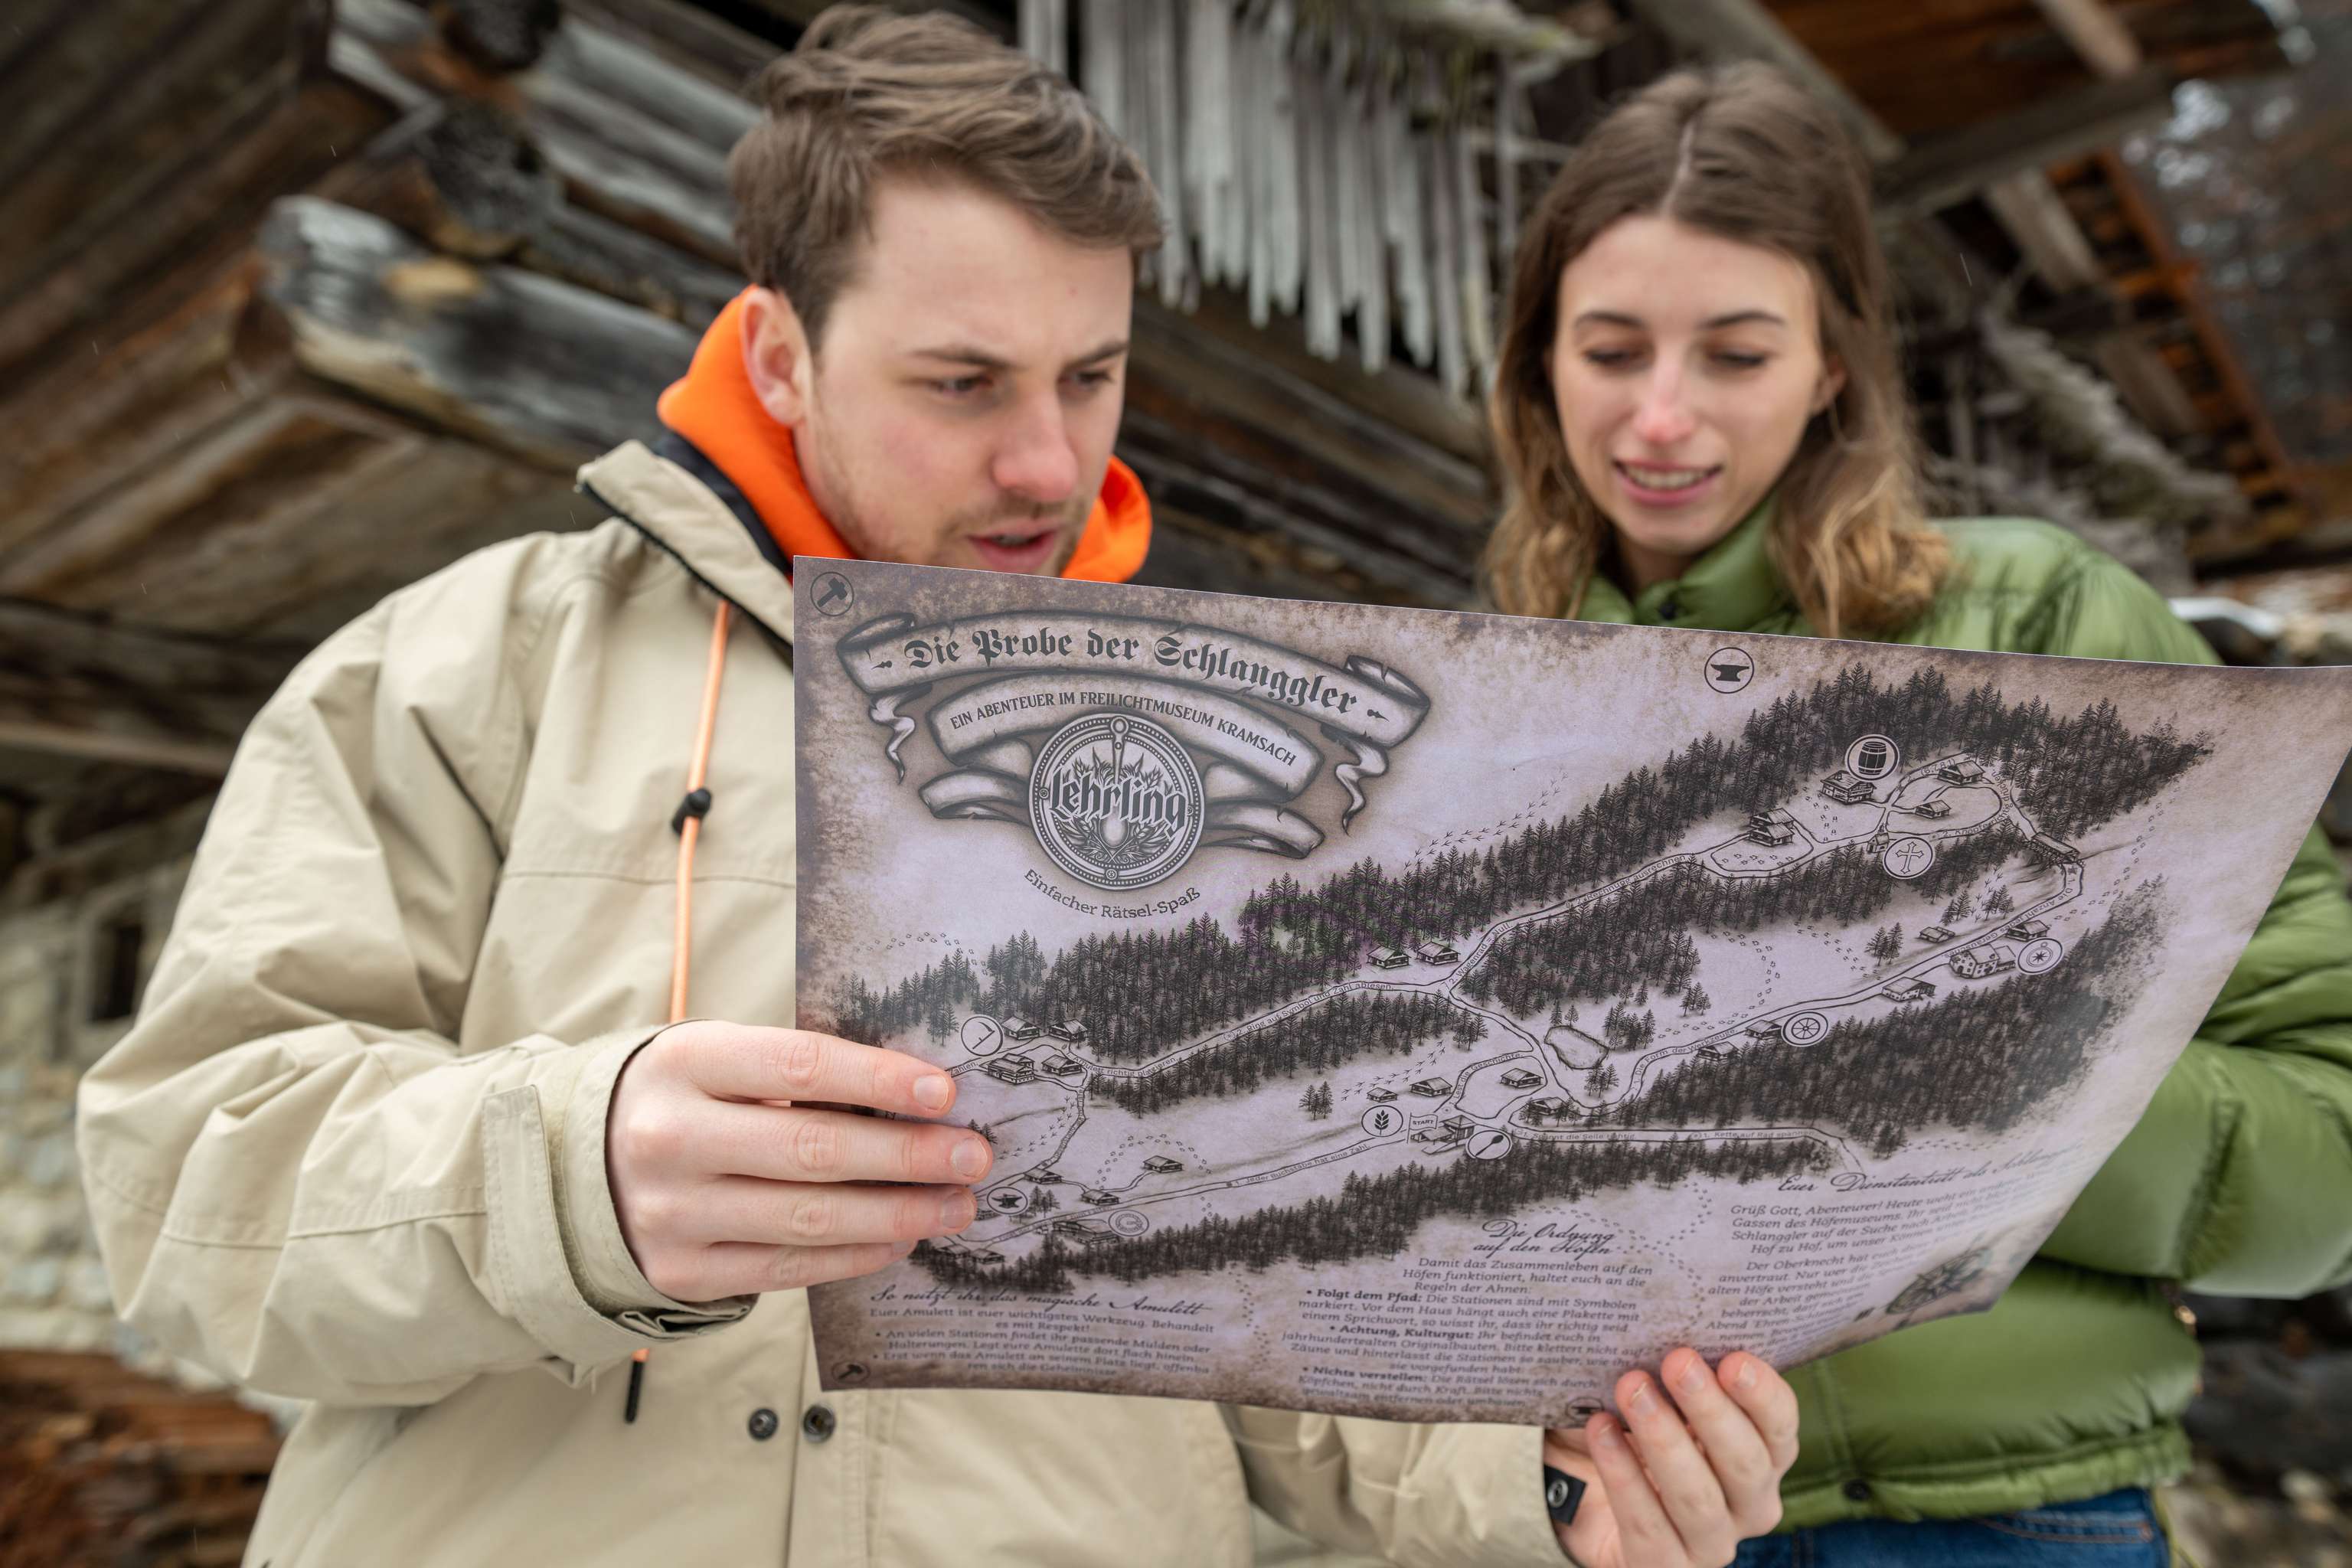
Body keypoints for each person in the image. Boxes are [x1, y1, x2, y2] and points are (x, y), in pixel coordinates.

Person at [78, 11, 1798, 1566]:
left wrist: (1560, 1479)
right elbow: (184, 1203)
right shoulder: (461, 668)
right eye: (962, 384)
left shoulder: (1259, 767)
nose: (1050, 461)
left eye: (1093, 378)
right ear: (778, 355)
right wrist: (568, 1174)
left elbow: (1296, 1330)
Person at [1482, 61, 2352, 1566]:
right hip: (1622, 1520)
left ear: (1832, 367)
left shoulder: (2042, 628)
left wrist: (1966, 1062)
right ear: (1537, 362)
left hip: (1999, 1519)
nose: (1660, 417)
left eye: (1736, 355)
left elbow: (2324, 1148)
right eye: (1610, 349)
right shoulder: (1485, 698)